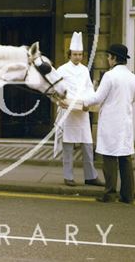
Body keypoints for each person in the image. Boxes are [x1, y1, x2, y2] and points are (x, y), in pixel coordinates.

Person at [63, 43, 135, 204]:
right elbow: (133, 99)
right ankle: (128, 196)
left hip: (111, 123)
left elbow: (97, 97)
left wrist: (81, 103)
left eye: (109, 56)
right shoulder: (133, 78)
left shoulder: (110, 76)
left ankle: (110, 194)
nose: (107, 59)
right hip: (125, 122)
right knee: (125, 159)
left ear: (113, 58)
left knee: (110, 159)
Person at [54, 32, 103, 187]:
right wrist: (59, 102)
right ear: (70, 54)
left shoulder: (84, 70)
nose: (78, 57)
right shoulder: (61, 70)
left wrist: (89, 102)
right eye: (75, 54)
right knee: (68, 145)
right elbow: (55, 90)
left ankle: (90, 176)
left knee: (87, 145)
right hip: (68, 112)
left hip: (81, 111)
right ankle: (68, 176)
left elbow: (89, 89)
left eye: (80, 54)